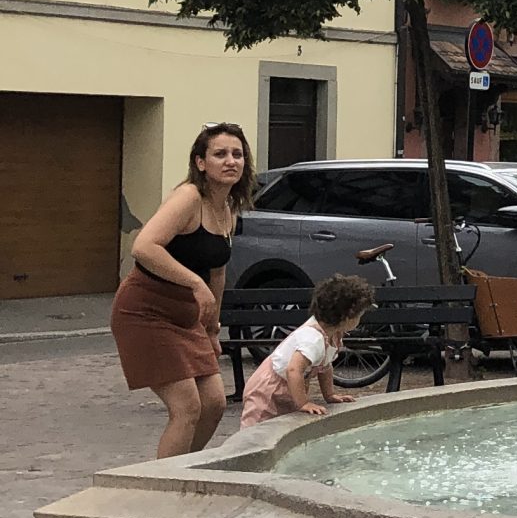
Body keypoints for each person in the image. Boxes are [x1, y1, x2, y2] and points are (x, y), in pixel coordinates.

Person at [110, 123, 253, 458]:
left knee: (214, 403)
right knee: (187, 406)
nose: (230, 161)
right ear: (201, 162)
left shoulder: (227, 210)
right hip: (145, 311)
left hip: (186, 318)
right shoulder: (188, 198)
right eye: (220, 154)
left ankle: (182, 468)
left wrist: (212, 329)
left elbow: (218, 272)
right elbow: (144, 247)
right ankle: (164, 483)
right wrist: (194, 282)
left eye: (237, 154)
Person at [238, 272, 377, 425]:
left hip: (289, 387)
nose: (360, 319)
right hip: (268, 390)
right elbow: (293, 370)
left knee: (284, 425)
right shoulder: (312, 339)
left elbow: (325, 366)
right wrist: (303, 403)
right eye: (359, 315)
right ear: (347, 317)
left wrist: (329, 395)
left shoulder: (333, 334)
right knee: (257, 427)